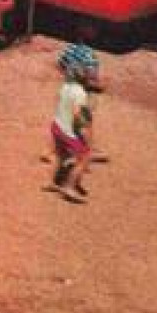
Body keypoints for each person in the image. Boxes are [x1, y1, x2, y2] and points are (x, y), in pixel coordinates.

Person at [49, 44, 99, 203]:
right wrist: (86, 134)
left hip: (56, 127)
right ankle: (69, 187)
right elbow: (78, 115)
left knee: (60, 156)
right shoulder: (80, 93)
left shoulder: (66, 86)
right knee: (84, 158)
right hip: (69, 132)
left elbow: (59, 101)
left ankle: (50, 182)